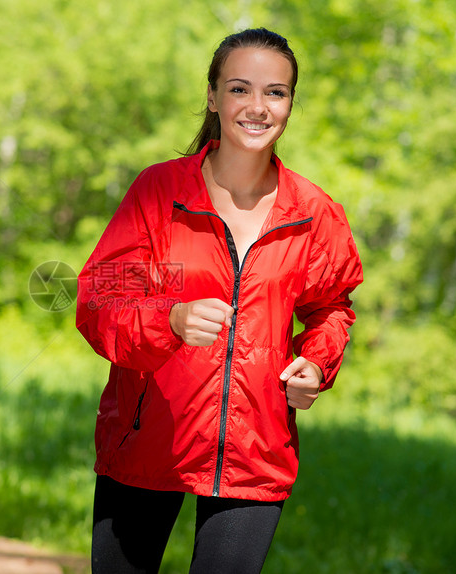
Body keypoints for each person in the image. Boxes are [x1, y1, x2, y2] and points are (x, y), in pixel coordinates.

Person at [76, 27, 363, 574]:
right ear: (213, 97)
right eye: (240, 89)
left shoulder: (315, 211)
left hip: (256, 452)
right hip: (147, 442)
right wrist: (171, 319)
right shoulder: (160, 192)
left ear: (290, 104)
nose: (258, 107)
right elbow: (97, 304)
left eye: (275, 93)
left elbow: (331, 308)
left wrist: (317, 361)